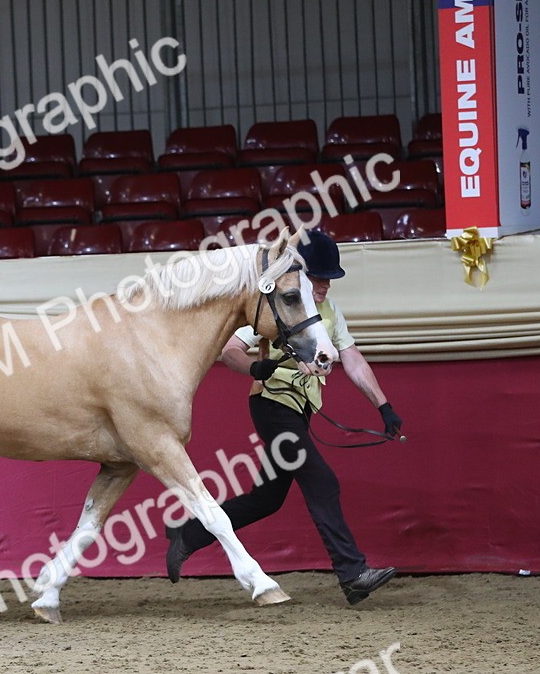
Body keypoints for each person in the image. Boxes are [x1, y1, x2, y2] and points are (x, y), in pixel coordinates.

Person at [166, 231, 402, 605]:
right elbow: (231, 350)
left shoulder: (329, 312)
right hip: (273, 406)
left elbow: (353, 359)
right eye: (317, 276)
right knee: (322, 482)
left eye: (329, 278)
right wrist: (257, 369)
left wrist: (383, 405)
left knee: (266, 500)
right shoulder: (275, 303)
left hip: (301, 411)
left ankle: (189, 534)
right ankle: (352, 573)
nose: (324, 284)